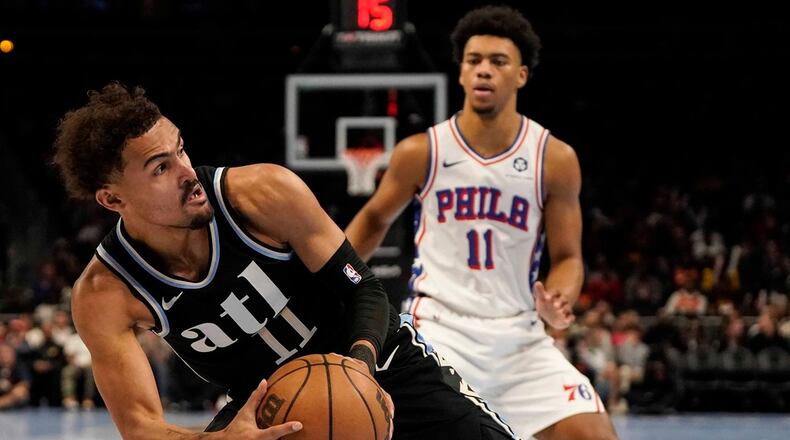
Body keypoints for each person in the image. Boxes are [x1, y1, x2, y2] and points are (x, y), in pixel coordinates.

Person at [52, 82, 520, 440]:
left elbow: (364, 288)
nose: (187, 172)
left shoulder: (262, 194)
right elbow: (139, 426)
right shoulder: (104, 294)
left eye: (180, 150)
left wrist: (358, 365)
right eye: (160, 168)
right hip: (269, 404)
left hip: (378, 360)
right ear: (113, 199)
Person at [345, 6, 619, 439]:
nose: (483, 71)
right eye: (474, 61)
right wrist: (333, 278)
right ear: (461, 73)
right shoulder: (424, 151)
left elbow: (568, 257)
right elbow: (374, 218)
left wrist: (560, 301)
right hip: (439, 332)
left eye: (498, 61)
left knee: (593, 435)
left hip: (519, 338)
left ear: (522, 76)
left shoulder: (555, 159)